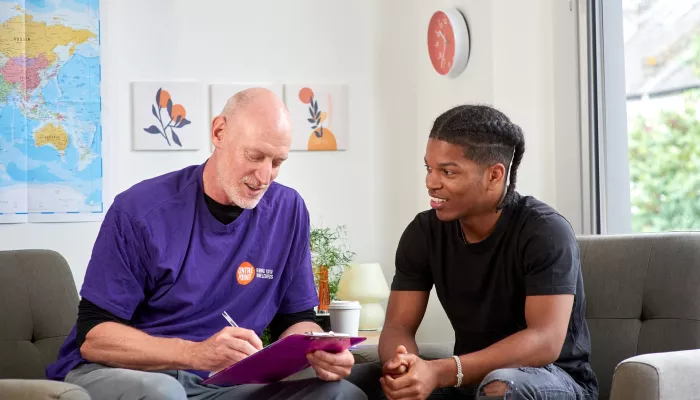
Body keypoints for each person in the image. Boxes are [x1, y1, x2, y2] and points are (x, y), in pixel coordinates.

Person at [46, 88, 366, 400]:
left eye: (277, 161)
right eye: (254, 155)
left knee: (340, 392)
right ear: (219, 132)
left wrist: (317, 351)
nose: (265, 175)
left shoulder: (288, 211)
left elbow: (296, 319)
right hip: (123, 373)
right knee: (164, 393)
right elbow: (95, 338)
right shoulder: (140, 211)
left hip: (223, 381)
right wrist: (196, 354)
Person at [349, 105, 598, 400]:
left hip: (552, 379)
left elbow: (544, 341)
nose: (431, 182)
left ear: (494, 175)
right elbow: (398, 325)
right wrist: (403, 367)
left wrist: (440, 372)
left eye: (448, 171)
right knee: (356, 383)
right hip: (465, 380)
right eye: (429, 168)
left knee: (501, 387)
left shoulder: (544, 231)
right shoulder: (424, 232)